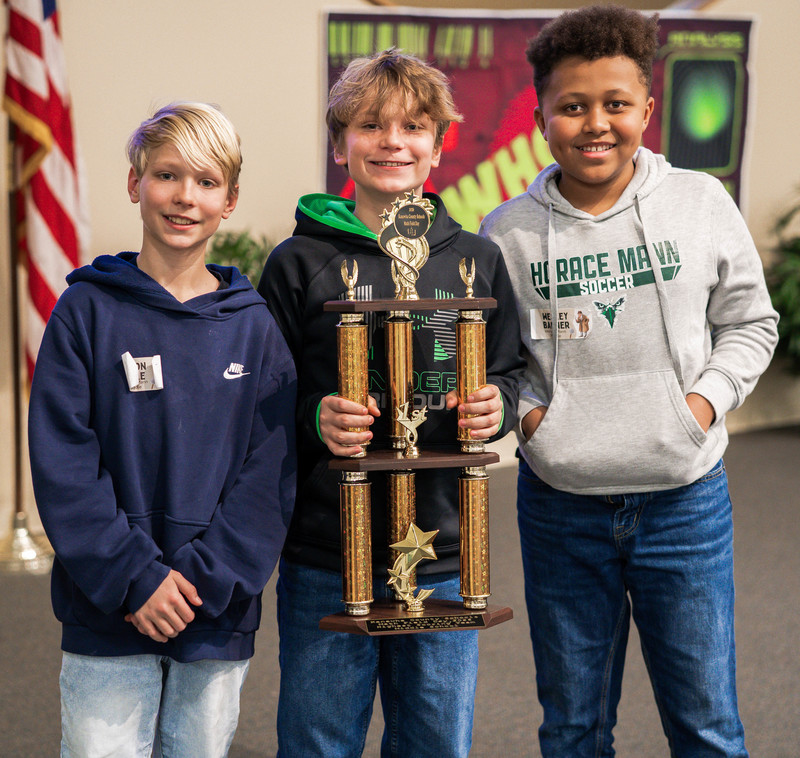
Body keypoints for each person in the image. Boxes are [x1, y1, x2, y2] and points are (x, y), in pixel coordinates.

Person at [480, 6, 779, 757]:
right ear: (542, 117)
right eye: (572, 106)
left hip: (685, 501)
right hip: (560, 509)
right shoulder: (507, 232)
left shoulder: (701, 203)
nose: (595, 124)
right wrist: (530, 418)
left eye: (615, 104)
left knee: (707, 726)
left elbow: (751, 324)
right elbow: (497, 359)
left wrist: (699, 405)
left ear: (646, 109)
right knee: (575, 727)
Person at [258, 49, 524, 757]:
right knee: (319, 738)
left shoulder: (474, 258)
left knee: (435, 738)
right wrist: (316, 415)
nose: (392, 142)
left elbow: (510, 368)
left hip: (441, 550)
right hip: (327, 549)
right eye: (371, 125)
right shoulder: (297, 262)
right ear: (339, 143)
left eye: (412, 127)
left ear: (438, 145)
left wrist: (498, 403)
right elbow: (259, 395)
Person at [28, 102, 297, 758]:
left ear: (229, 201)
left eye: (206, 182)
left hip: (214, 612)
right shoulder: (84, 312)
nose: (185, 197)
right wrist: (134, 578)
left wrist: (207, 581)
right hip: (108, 607)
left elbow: (272, 476)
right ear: (134, 184)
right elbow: (65, 463)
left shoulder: (254, 326)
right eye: (167, 176)